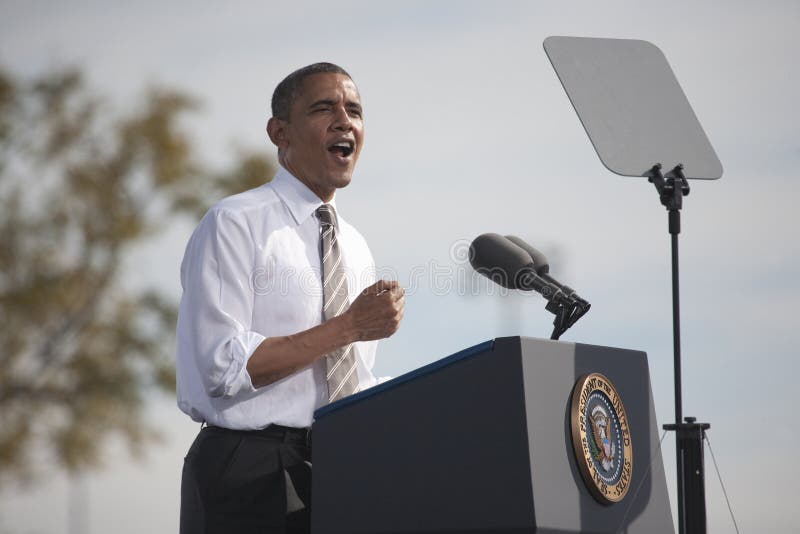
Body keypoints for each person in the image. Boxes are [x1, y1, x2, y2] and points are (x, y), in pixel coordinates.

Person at [176, 62, 405, 534]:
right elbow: (223, 368)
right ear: (279, 132)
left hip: (338, 469)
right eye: (325, 108)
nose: (345, 121)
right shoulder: (235, 223)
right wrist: (350, 326)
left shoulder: (356, 246)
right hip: (246, 474)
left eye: (355, 111)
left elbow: (344, 382)